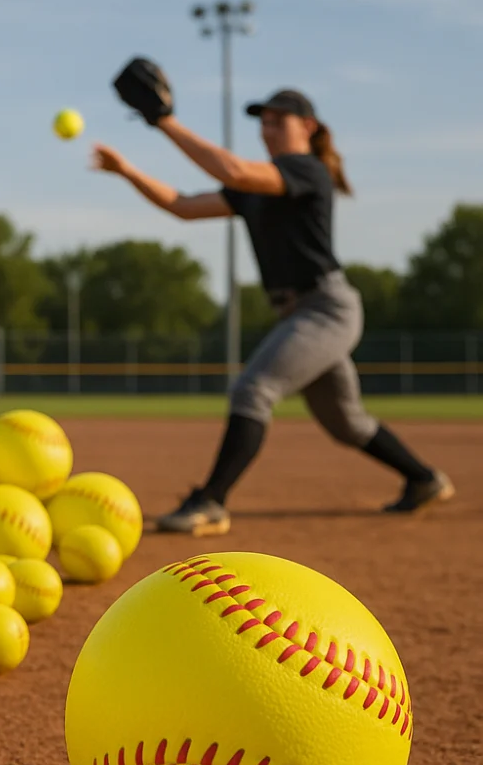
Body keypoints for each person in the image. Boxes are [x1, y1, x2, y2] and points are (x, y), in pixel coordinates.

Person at [91, 88, 454, 535]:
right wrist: (126, 170)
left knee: (253, 389)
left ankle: (211, 501)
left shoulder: (307, 170)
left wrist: (164, 121)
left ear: (309, 127)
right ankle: (424, 479)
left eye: (278, 120)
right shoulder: (253, 191)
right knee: (346, 423)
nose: (267, 129)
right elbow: (182, 206)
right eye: (263, 122)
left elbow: (235, 170)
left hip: (326, 309)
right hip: (297, 315)